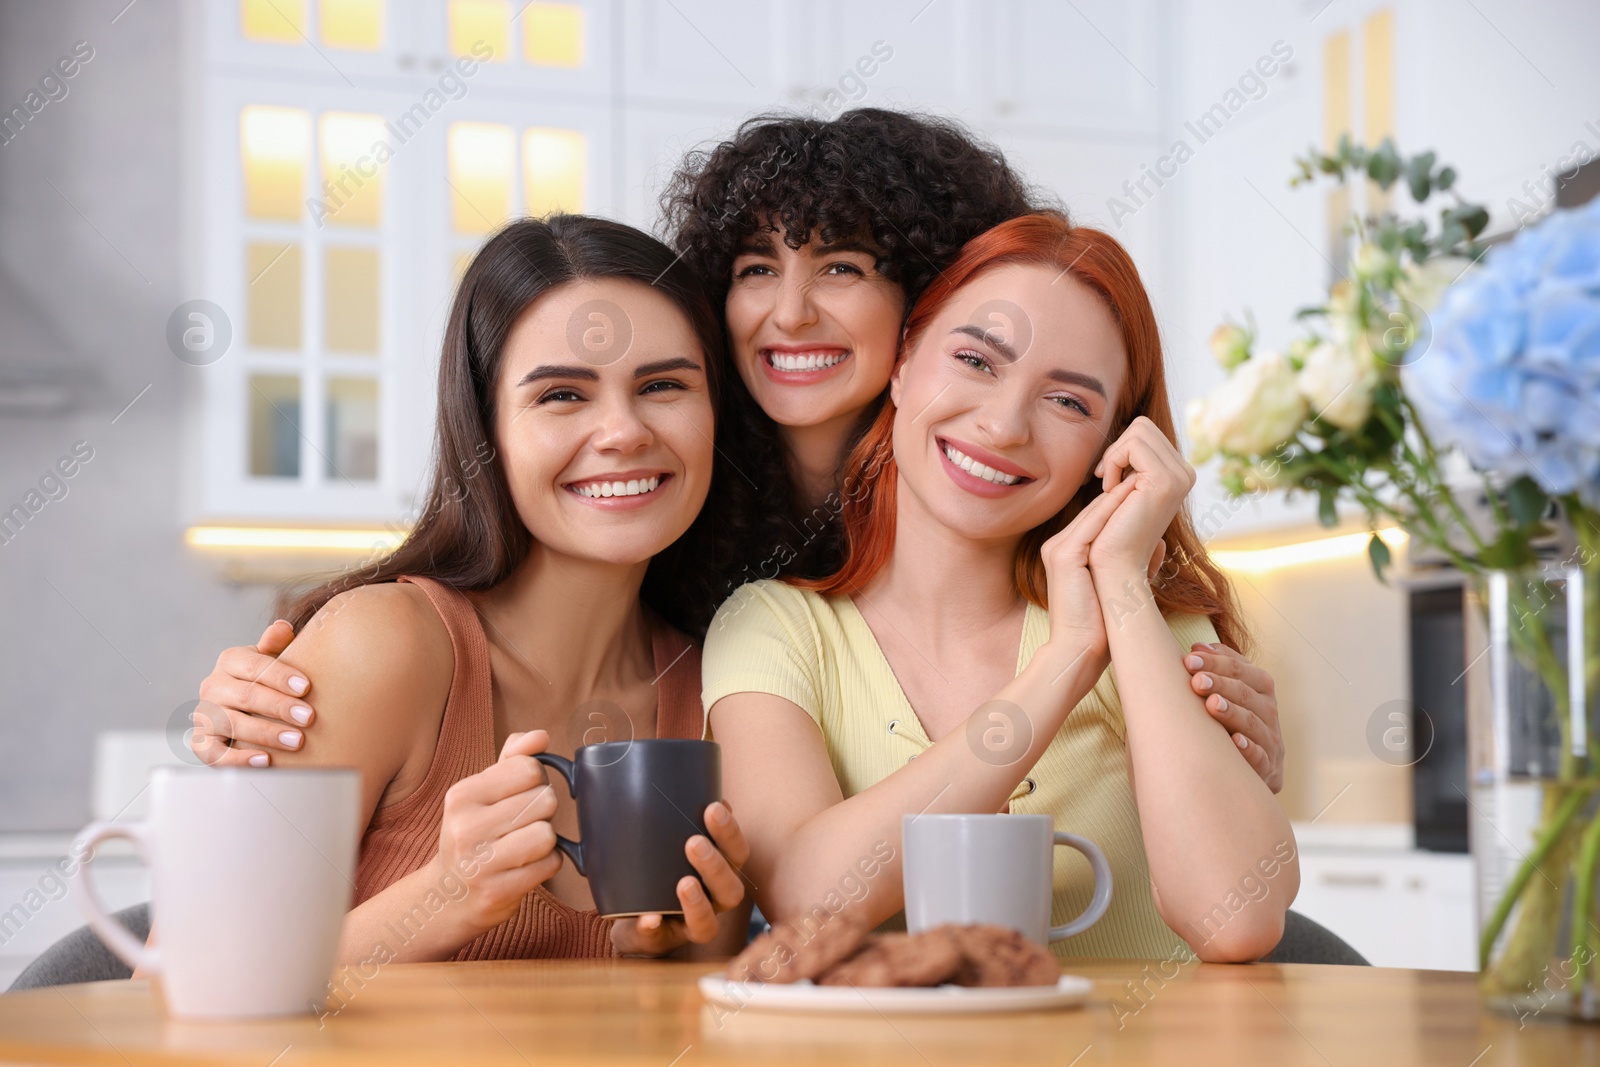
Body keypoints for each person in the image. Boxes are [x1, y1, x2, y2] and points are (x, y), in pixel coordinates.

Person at [194, 110, 1287, 792]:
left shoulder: (1028, 521)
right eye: (757, 267)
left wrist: (1206, 750)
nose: (790, 312)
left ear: (931, 308)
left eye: (846, 266)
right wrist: (275, 700)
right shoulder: (668, 521)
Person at [703, 213, 1297, 963]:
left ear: (1109, 449)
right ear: (903, 361)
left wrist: (1118, 588)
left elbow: (1237, 917)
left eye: (1070, 402)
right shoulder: (774, 628)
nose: (1004, 423)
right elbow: (807, 895)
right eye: (977, 361)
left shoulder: (1146, 623)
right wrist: (1068, 657)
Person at [175, 215, 751, 963]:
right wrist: (445, 896)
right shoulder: (382, 646)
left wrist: (670, 956)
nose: (624, 431)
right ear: (485, 429)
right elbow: (182, 969)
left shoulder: (718, 690)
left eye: (664, 385)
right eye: (562, 396)